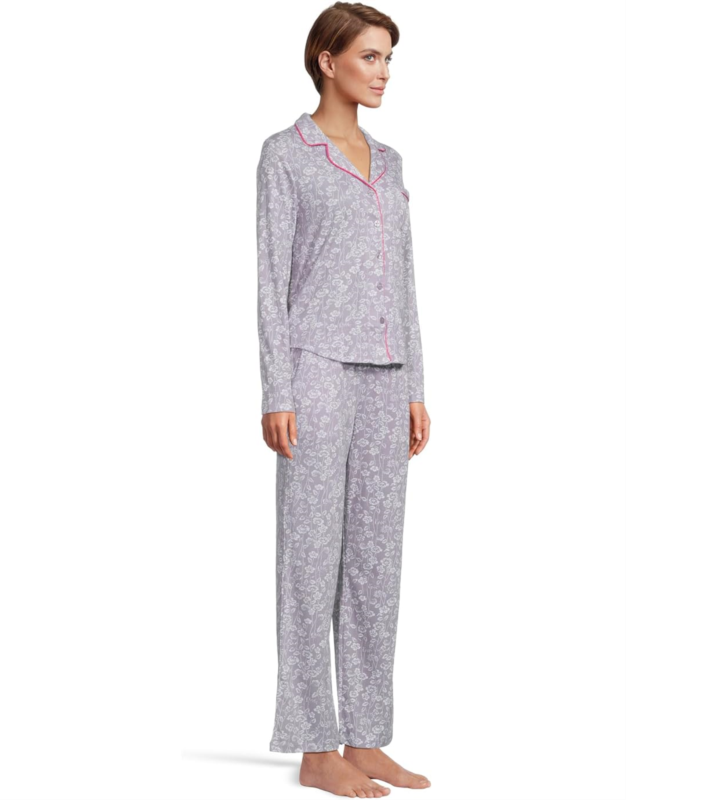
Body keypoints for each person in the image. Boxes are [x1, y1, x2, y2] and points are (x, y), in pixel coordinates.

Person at [256, 3, 431, 796]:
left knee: (374, 564)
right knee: (309, 560)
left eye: (389, 58)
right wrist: (278, 389)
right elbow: (270, 281)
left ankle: (364, 736)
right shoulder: (285, 155)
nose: (384, 71)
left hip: (387, 377)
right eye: (370, 56)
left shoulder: (390, 162)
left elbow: (406, 281)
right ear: (328, 62)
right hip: (316, 370)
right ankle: (313, 745)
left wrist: (416, 384)